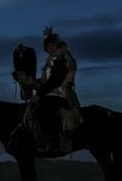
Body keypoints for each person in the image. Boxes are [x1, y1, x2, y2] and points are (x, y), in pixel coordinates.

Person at [21, 26, 80, 154]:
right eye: (47, 48)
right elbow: (46, 83)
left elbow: (56, 80)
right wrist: (28, 81)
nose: (48, 50)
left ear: (55, 44)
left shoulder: (62, 57)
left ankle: (52, 141)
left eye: (50, 46)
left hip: (61, 95)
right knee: (32, 110)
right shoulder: (53, 60)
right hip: (52, 93)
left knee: (43, 110)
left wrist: (39, 94)